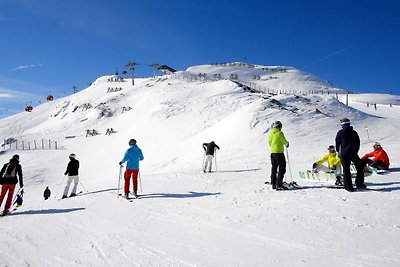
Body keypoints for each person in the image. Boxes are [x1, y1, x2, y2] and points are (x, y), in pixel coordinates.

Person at [335, 118, 366, 191]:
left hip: (344, 155)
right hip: (353, 154)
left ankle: (348, 187)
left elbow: (337, 143)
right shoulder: (354, 132)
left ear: (342, 124)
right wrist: (355, 151)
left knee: (346, 170)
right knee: (359, 168)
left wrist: (338, 152)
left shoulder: (340, 132)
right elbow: (358, 143)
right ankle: (359, 184)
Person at [268, 121, 289, 190]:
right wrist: (287, 144)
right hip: (279, 153)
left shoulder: (271, 133)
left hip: (272, 153)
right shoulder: (280, 133)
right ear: (279, 126)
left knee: (274, 168)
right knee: (282, 168)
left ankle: (273, 183)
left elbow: (269, 142)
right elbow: (284, 141)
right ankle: (279, 184)